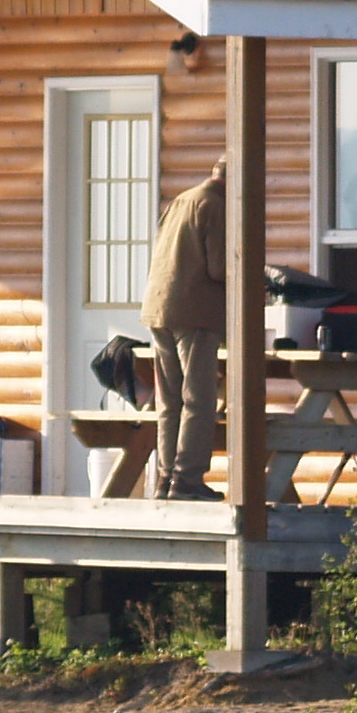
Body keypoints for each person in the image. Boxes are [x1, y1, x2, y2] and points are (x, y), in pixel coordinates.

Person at [142, 160, 227, 500]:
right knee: (198, 398)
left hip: (158, 308)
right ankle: (187, 480)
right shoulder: (217, 205)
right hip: (195, 311)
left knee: (169, 400)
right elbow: (221, 267)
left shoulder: (182, 200)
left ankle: (165, 479)